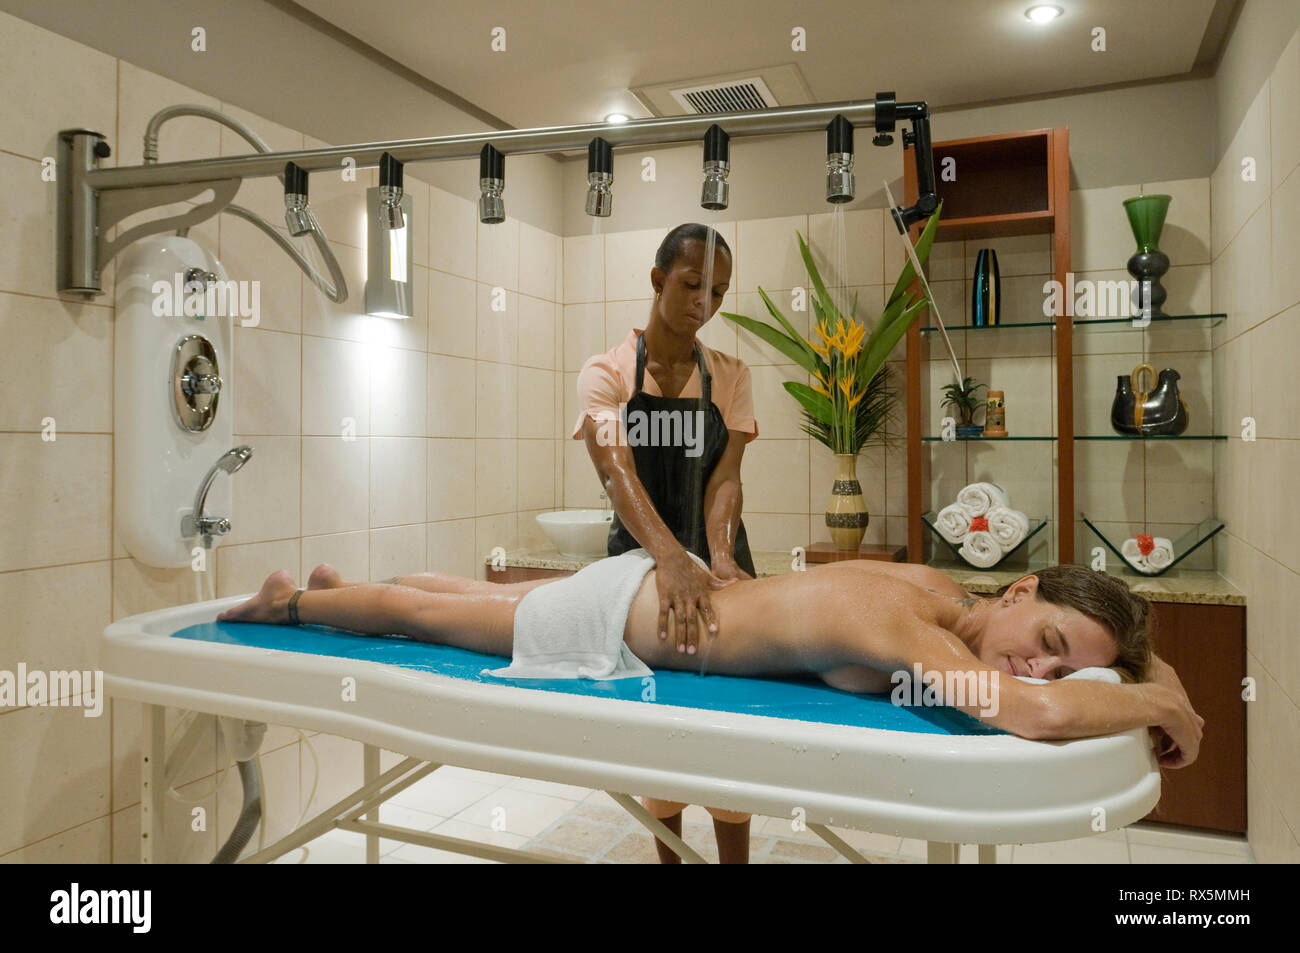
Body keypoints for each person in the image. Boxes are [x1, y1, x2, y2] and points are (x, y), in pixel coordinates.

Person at [218, 558, 1205, 863]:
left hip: (658, 594)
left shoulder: (945, 589)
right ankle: (295, 604)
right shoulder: (908, 628)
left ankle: (340, 582)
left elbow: (1040, 676)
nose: (1038, 666)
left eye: (1068, 665)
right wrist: (1161, 696)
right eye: (1049, 644)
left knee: (451, 602)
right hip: (619, 620)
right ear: (1024, 589)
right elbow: (1025, 715)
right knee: (424, 620)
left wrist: (1148, 666)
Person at [571, 223, 759, 859]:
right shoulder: (606, 373)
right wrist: (670, 559)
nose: (705, 303)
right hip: (638, 572)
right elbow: (615, 470)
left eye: (720, 292)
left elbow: (725, 477)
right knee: (659, 735)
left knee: (730, 729)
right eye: (692, 284)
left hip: (717, 560)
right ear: (658, 281)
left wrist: (722, 557)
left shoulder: (730, 375)